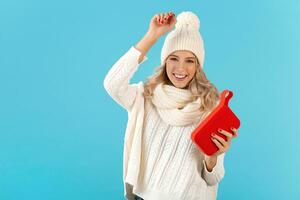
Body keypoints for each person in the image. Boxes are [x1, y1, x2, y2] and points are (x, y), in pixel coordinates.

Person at [103, 11, 238, 200]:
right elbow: (112, 84)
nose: (181, 68)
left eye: (190, 61)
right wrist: (153, 35)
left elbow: (212, 178)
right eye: (173, 58)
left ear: (198, 66)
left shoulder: (210, 107)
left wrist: (212, 157)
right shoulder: (144, 96)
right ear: (165, 61)